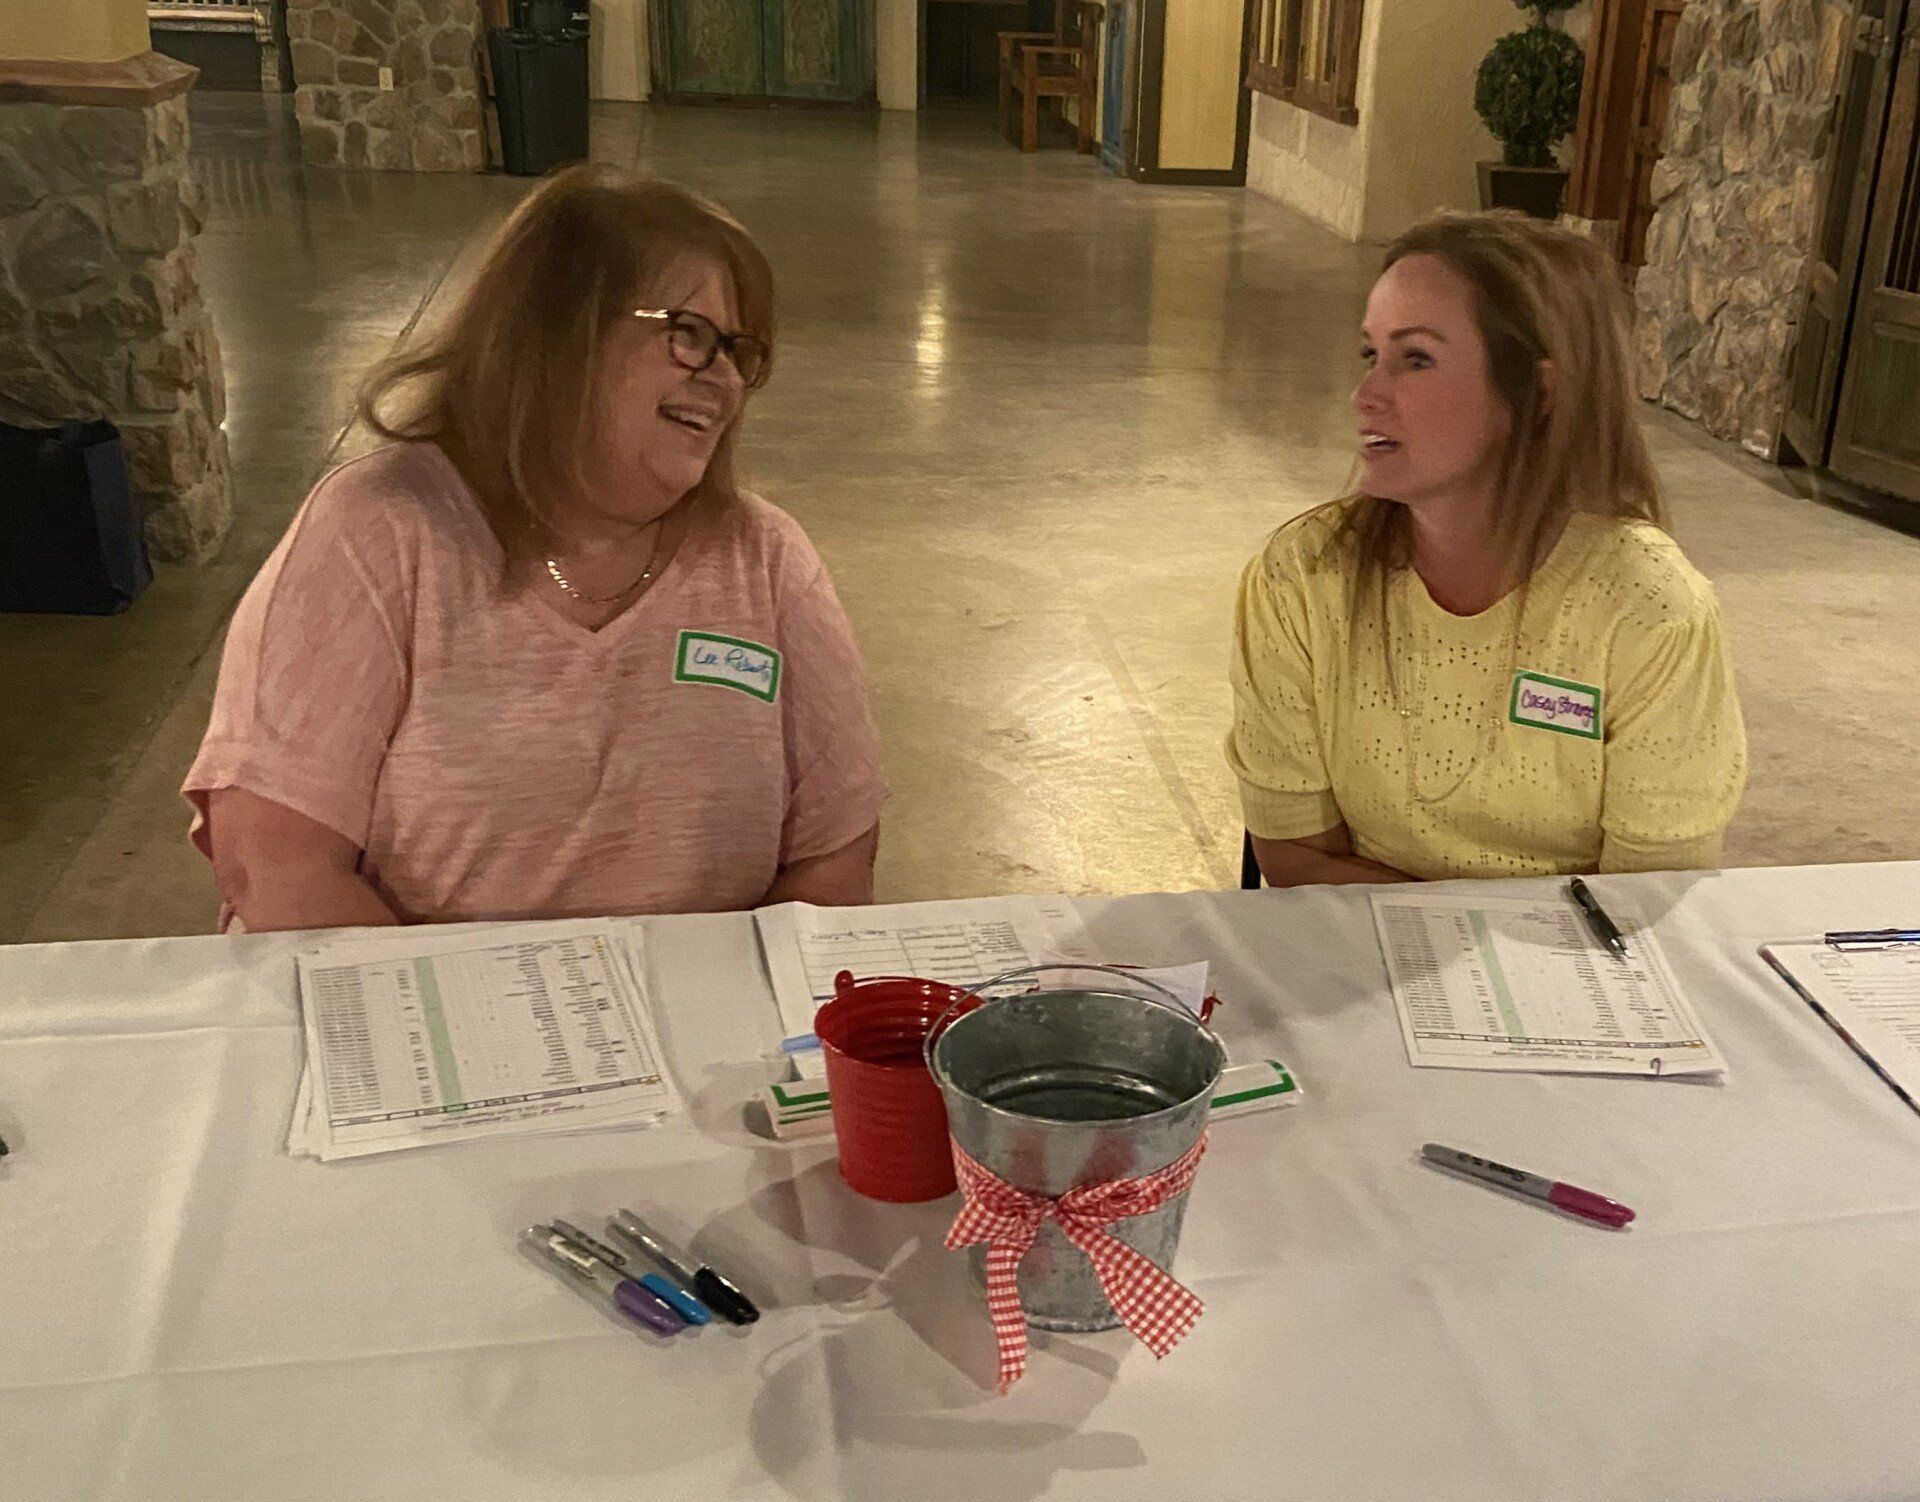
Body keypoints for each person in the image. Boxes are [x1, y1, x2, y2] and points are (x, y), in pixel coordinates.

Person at [184, 167, 886, 930]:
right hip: (421, 1024)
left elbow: (835, 861)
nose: (723, 379)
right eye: (689, 335)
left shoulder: (767, 559)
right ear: (554, 332)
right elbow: (278, 867)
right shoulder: (379, 530)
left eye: (738, 351)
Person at [1228, 210, 1746, 888]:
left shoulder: (1650, 613)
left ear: (1537, 390)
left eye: (1415, 359)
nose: (1365, 395)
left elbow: (1647, 902)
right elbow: (1293, 859)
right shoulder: (1301, 578)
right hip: (1357, 968)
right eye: (1370, 355)